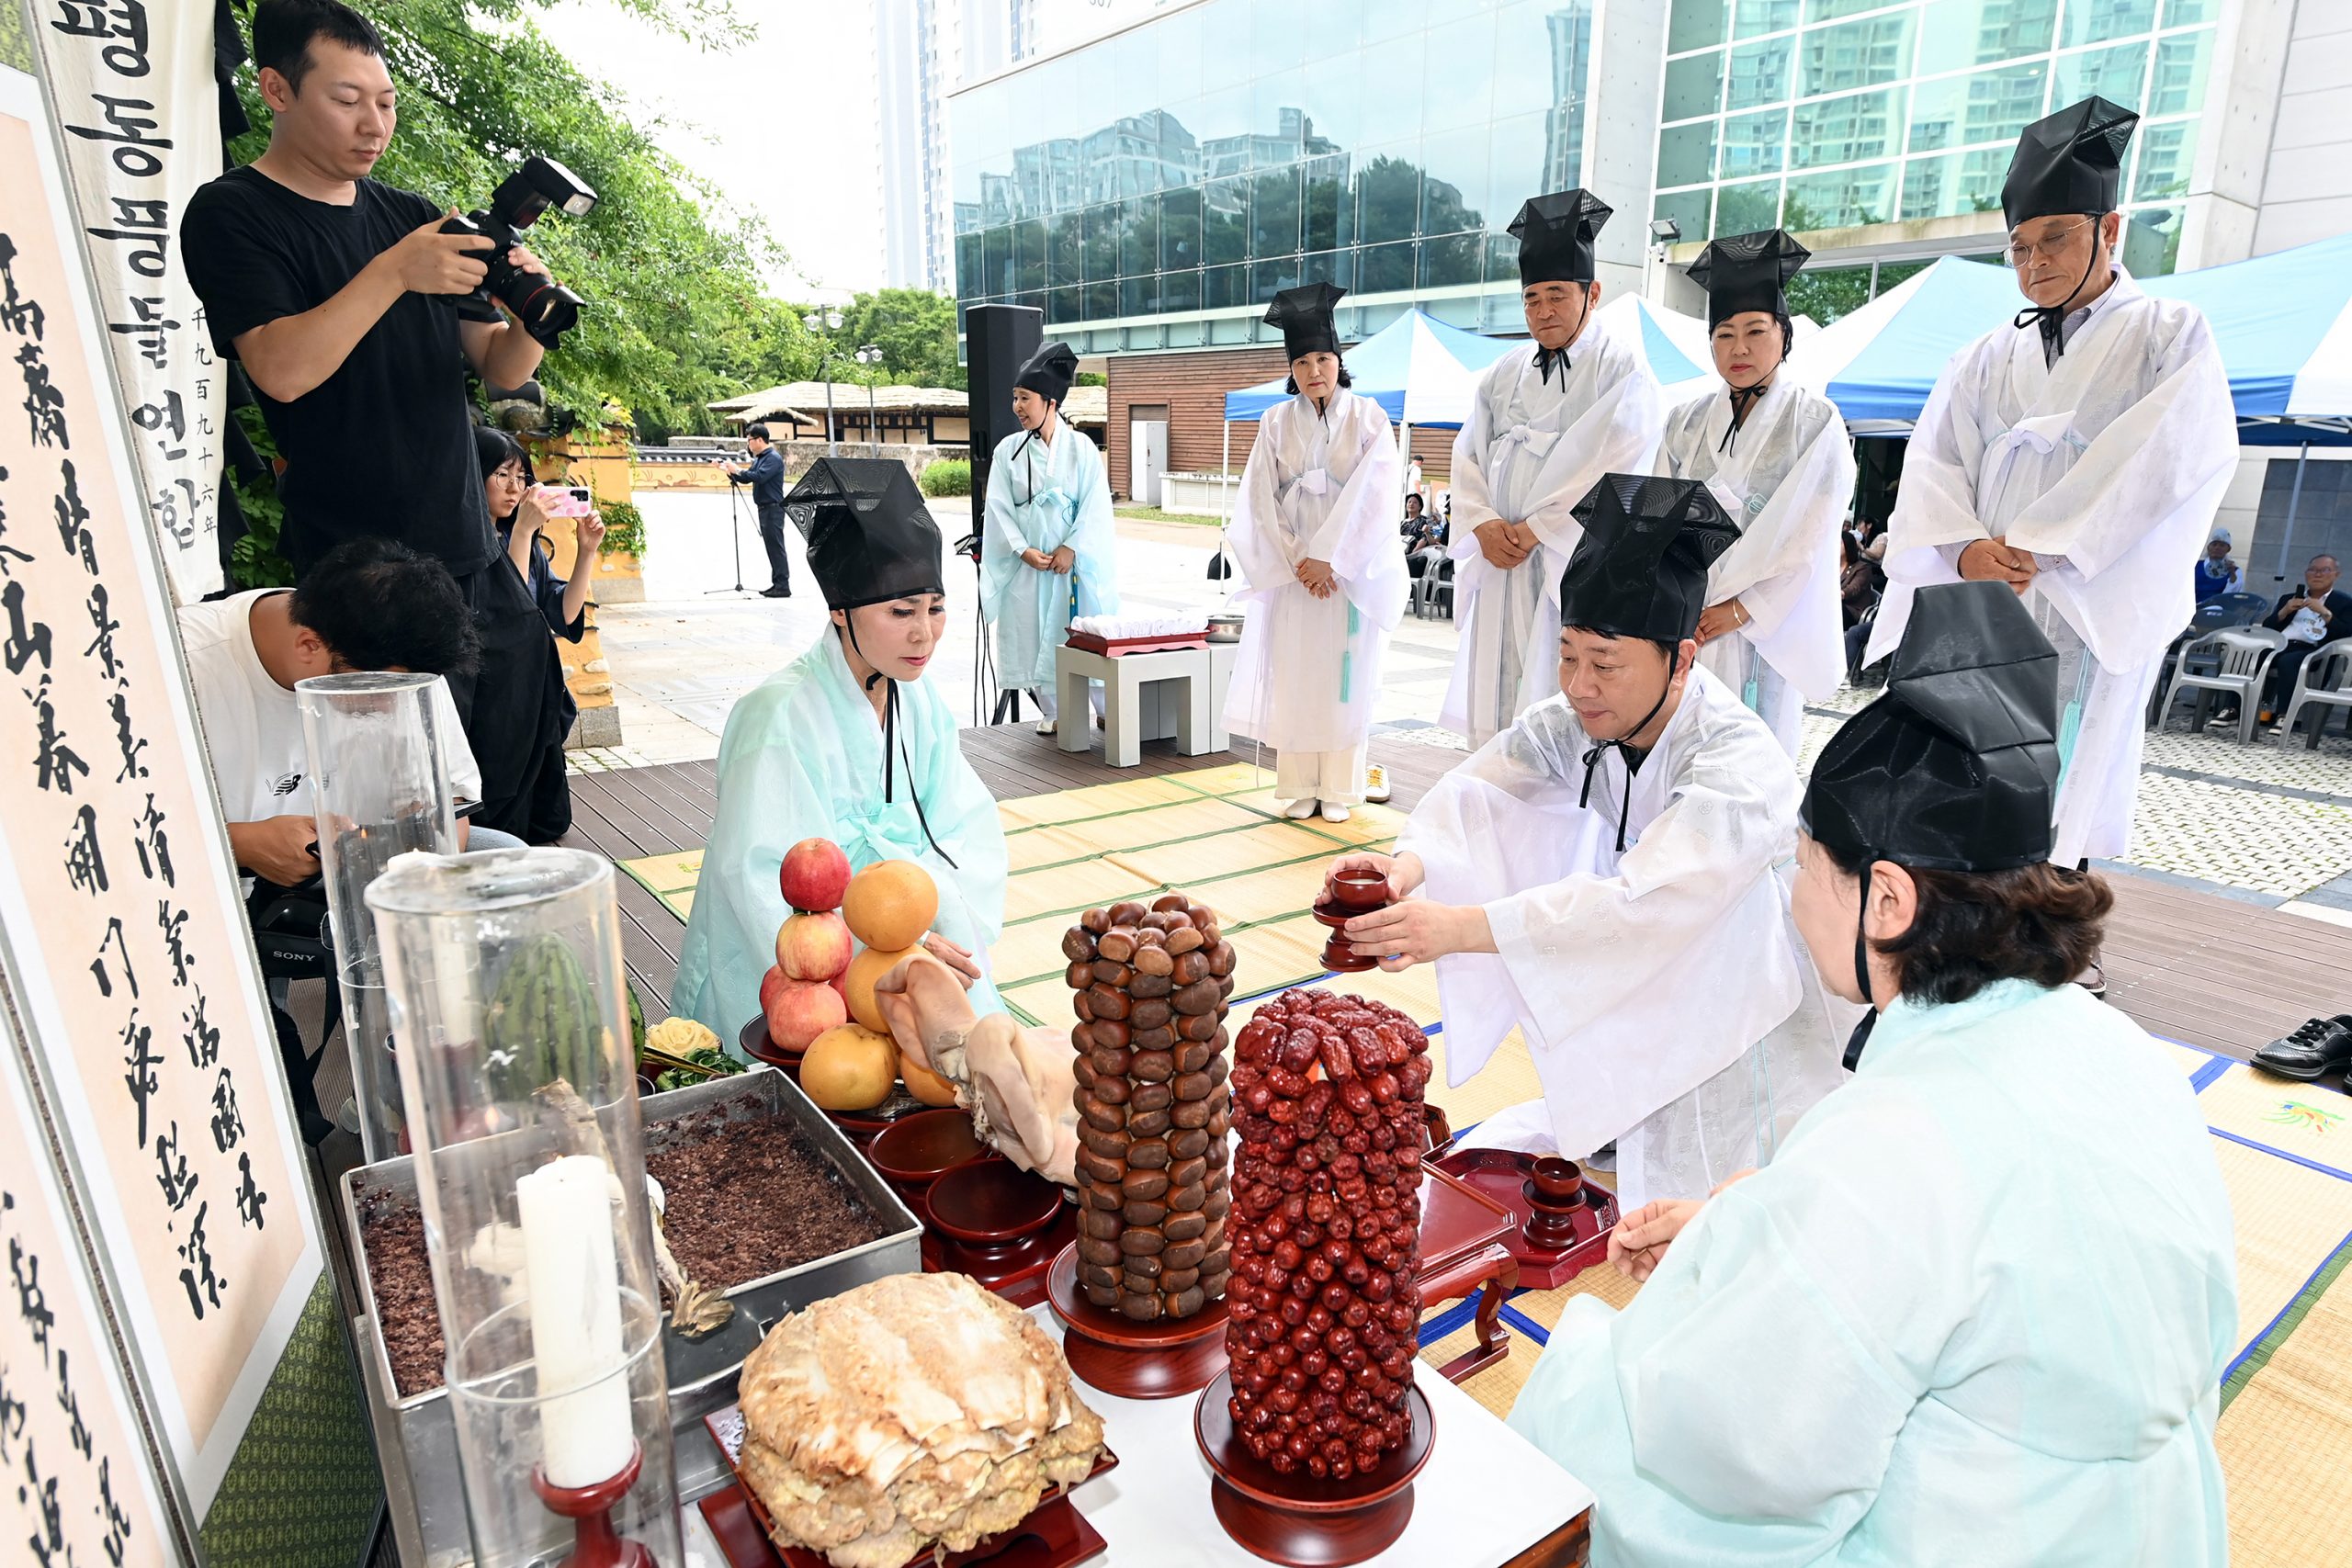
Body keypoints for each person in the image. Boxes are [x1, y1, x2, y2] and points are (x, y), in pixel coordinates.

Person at [1509, 581, 2234, 1566]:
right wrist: (1749, 1226)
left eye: (1806, 865)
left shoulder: (1896, 1143)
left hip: (1974, 1536)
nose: (1794, 895)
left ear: (1886, 901)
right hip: (2147, 1526)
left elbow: (1740, 1444)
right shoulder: (2121, 1053)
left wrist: (1609, 1351)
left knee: (1598, 1411)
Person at [1329, 477, 1846, 1205]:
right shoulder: (1576, 721)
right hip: (1659, 970)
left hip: (1748, 992)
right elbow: (1481, 792)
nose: (1578, 685)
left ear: (1682, 659)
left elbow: (1648, 902)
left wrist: (1460, 928)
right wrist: (1403, 866)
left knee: (1722, 1193)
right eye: (1567, 655)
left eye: (1605, 664)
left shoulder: (1737, 764)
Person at [180, 0, 573, 842]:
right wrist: (394, 273)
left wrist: (535, 318)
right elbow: (281, 368)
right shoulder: (231, 212)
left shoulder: (410, 215)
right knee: (392, 808)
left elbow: (500, 368)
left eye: (387, 102)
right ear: (276, 90)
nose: (374, 124)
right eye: (347, 100)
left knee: (501, 770)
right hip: (363, 578)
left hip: (470, 549)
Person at [1864, 96, 2237, 866]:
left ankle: (2058, 920)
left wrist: (2044, 544)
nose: (2035, 262)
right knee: (1969, 774)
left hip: (2081, 598)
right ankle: (1971, 912)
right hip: (1982, 595)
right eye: (2020, 247)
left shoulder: (2168, 334)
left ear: (2110, 228)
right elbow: (1934, 462)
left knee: (2068, 780)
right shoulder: (1981, 357)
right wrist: (1963, 547)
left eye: (2056, 237)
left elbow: (2168, 456)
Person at [674, 459, 1010, 1038]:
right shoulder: (778, 716)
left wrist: (926, 921)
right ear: (839, 610)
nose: (923, 633)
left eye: (935, 608)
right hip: (804, 959)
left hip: (911, 923)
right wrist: (890, 943)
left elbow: (964, 826)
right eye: (900, 611)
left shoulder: (919, 700)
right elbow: (760, 879)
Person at [1443, 190, 1664, 749]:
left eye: (1558, 295)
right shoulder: (1502, 372)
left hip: (1568, 564)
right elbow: (1468, 455)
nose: (1543, 311)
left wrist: (1539, 529)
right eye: (1532, 298)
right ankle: (1493, 787)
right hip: (1502, 561)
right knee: (1495, 694)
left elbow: (1618, 465)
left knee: (1560, 693)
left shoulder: (1621, 367)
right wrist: (1482, 522)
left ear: (1593, 293)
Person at [179, 536, 515, 888]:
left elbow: (451, 811)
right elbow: (139, 830)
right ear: (309, 646)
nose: (394, 709)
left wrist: (424, 854)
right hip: (216, 883)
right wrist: (240, 844)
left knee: (507, 857)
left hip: (368, 868)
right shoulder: (181, 664)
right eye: (378, 692)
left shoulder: (404, 657)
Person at [1657, 230, 1855, 757]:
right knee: (1683, 751)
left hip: (1764, 626)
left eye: (1755, 330)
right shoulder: (1684, 422)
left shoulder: (1814, 422)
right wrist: (1680, 600)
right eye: (1724, 334)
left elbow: (1810, 538)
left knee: (1754, 753)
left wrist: (1742, 609)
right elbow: (1659, 517)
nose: (1739, 348)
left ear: (1784, 335)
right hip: (1691, 616)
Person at [1224, 284, 1408, 824]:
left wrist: (1331, 558)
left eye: (1323, 359)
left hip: (1347, 575)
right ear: (1292, 368)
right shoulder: (1274, 422)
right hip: (1296, 574)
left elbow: (1376, 496)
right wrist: (1298, 559)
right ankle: (1299, 784)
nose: (1314, 371)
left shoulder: (1369, 417)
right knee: (1295, 676)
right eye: (1302, 362)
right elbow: (1259, 498)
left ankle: (1341, 787)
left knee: (1345, 678)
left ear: (1338, 360)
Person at [979, 342, 1118, 735]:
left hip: (1073, 565)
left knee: (1086, 630)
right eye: (1015, 398)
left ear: (1050, 402)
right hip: (1030, 564)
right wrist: (1021, 549)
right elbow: (998, 507)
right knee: (1032, 630)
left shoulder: (1082, 448)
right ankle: (1054, 710)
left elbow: (1095, 504)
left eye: (1024, 398)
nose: (1017, 407)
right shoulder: (1008, 451)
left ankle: (1106, 706)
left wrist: (1072, 547)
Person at [481, 427, 599, 840]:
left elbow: (562, 613)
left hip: (535, 685)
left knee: (548, 818)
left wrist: (586, 551)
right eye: (502, 475)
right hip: (496, 695)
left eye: (521, 477)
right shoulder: (467, 546)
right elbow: (507, 610)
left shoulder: (524, 541)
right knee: (505, 816)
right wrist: (523, 531)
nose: (515, 488)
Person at [2255, 553, 2352, 726]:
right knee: (2254, 655)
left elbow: (2345, 633)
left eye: (2324, 570)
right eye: (2313, 570)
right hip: (2282, 645)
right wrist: (2284, 611)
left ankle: (2284, 715)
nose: (2318, 574)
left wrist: (2324, 612)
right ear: (2306, 574)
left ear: (2336, 575)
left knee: (2288, 661)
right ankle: (2234, 709)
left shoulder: (2344, 603)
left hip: (2315, 651)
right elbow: (2268, 629)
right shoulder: (2289, 598)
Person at [719, 423, 792, 597]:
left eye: (750, 440)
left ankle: (783, 585)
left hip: (773, 508)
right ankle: (777, 583)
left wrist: (738, 470)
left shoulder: (773, 458)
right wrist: (731, 472)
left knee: (776, 547)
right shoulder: (760, 458)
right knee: (771, 547)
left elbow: (760, 477)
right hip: (764, 508)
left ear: (759, 440)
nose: (748, 444)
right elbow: (747, 478)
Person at [2193, 526, 2242, 603]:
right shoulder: (2195, 566)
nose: (2217, 548)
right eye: (2214, 544)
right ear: (2208, 547)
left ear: (2228, 549)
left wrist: (2232, 575)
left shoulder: (2235, 571)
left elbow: (2231, 596)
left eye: (2222, 545)